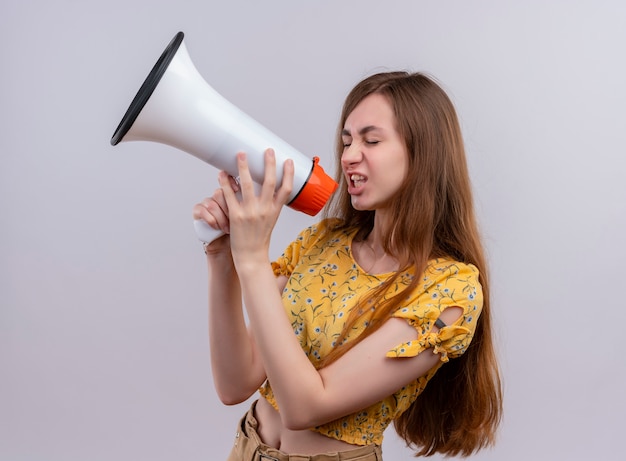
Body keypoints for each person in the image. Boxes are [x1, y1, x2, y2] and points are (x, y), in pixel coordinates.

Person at [192, 71, 503, 460]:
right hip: (246, 449)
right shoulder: (323, 241)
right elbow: (234, 384)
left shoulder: (450, 291)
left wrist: (253, 261)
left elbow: (305, 407)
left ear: (424, 153)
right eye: (347, 140)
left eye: (371, 140)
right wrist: (222, 257)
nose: (349, 155)